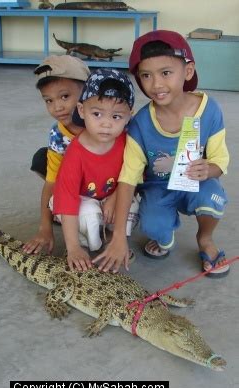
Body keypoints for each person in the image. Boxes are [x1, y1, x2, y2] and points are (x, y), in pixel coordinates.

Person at [94, 30, 230, 277]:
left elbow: (221, 160)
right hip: (158, 187)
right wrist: (118, 237)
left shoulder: (209, 110)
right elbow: (128, 178)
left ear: (188, 71)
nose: (156, 84)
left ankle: (205, 239)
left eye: (166, 73)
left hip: (198, 184)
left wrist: (208, 170)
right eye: (146, 75)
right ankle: (164, 240)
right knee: (154, 225)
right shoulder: (140, 124)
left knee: (213, 199)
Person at [51, 68, 139, 272]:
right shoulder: (76, 151)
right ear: (81, 111)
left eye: (117, 116)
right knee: (89, 214)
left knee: (130, 206)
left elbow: (134, 178)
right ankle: (84, 243)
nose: (106, 124)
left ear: (129, 116)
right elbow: (67, 197)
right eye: (97, 113)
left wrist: (115, 197)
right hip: (83, 199)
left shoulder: (127, 143)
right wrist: (72, 247)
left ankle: (114, 241)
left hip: (110, 196)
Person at [23, 55, 90, 255]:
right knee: (42, 159)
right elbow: (50, 183)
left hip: (108, 184)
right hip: (78, 183)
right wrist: (45, 228)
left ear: (87, 91)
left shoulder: (107, 124)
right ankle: (62, 211)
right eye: (49, 100)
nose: (57, 107)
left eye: (64, 96)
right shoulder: (58, 134)